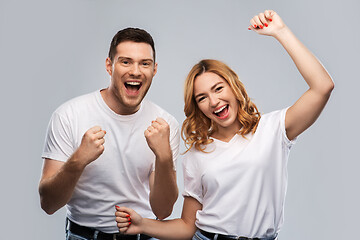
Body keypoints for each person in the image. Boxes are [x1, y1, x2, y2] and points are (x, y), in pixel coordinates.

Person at [114, 10, 334, 240]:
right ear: (197, 107)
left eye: (218, 88)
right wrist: (142, 224)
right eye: (202, 98)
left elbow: (322, 87)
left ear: (233, 87)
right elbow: (189, 226)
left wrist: (281, 32)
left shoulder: (273, 130)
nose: (214, 101)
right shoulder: (197, 155)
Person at [39, 27, 180, 240]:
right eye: (125, 61)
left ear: (154, 69)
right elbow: (48, 204)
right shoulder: (69, 115)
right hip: (83, 235)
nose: (135, 71)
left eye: (145, 63)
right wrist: (78, 160)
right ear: (109, 66)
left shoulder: (165, 124)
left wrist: (164, 156)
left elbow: (163, 211)